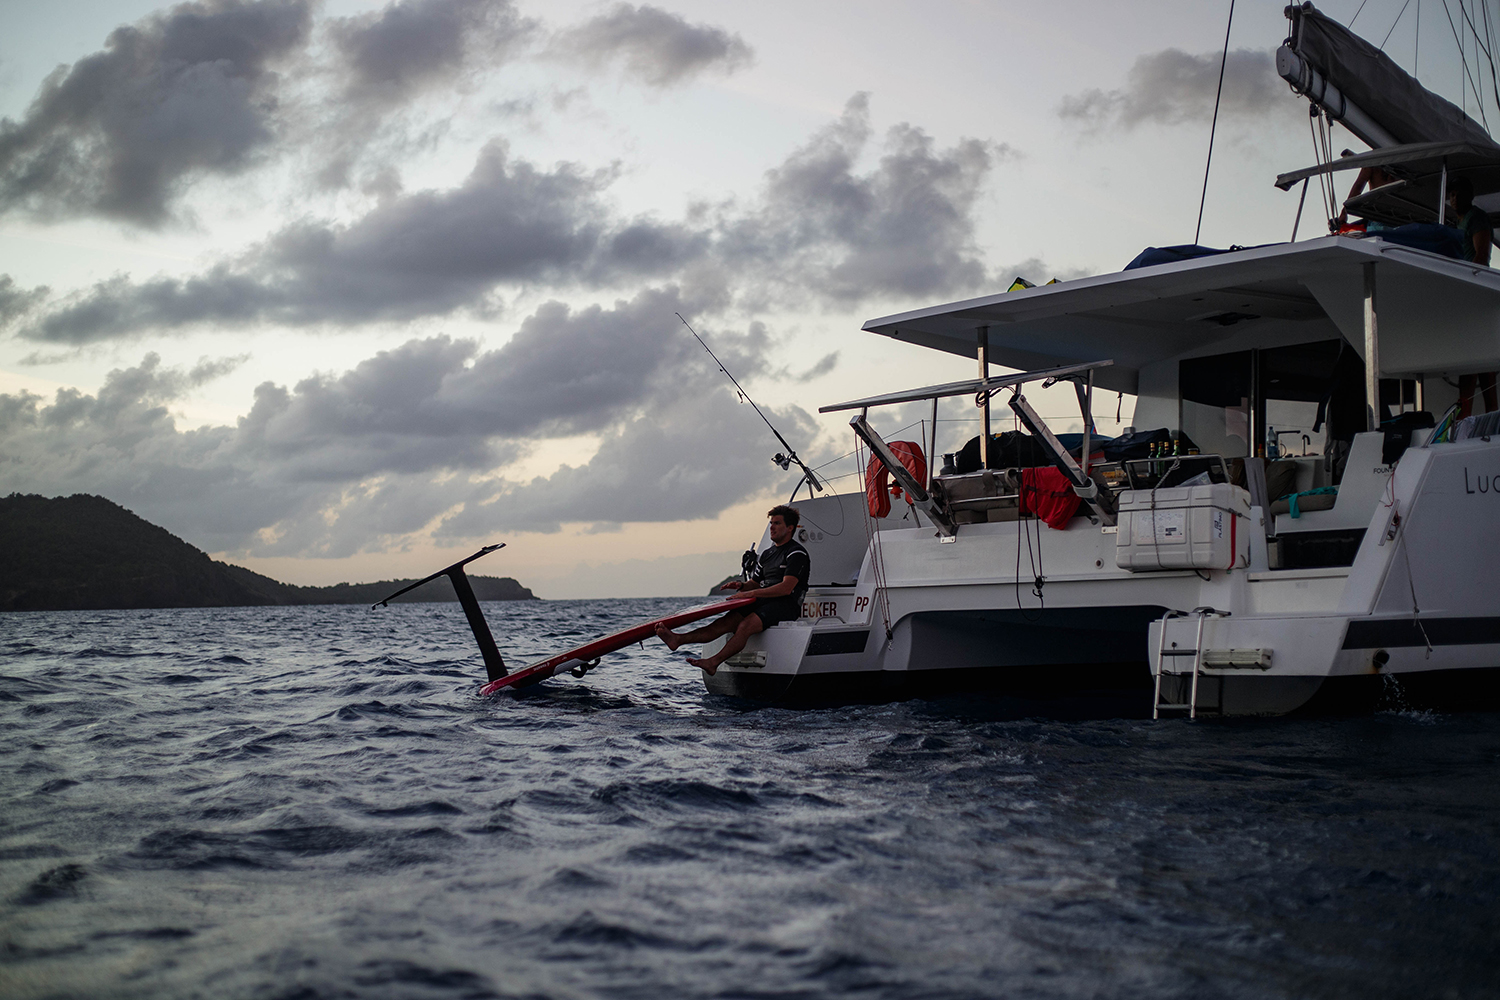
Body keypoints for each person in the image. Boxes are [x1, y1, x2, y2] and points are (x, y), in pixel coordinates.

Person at [656, 505, 809, 675]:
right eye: (771, 523)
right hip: (764, 601)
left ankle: (713, 663)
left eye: (777, 523)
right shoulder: (767, 554)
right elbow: (755, 582)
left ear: (790, 528)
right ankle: (678, 639)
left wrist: (751, 593)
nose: (771, 527)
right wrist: (742, 586)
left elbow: (786, 588)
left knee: (745, 625)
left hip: (786, 605)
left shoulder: (796, 553)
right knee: (725, 622)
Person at [1448, 177, 1499, 417]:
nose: (1454, 198)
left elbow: (1482, 256)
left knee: (1474, 359)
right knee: (1476, 361)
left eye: (1459, 194)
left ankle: (1477, 414)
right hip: (1462, 293)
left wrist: (1466, 282)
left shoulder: (1476, 218)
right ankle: (1474, 414)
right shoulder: (1456, 223)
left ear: (1469, 196)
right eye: (1452, 194)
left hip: (1474, 292)